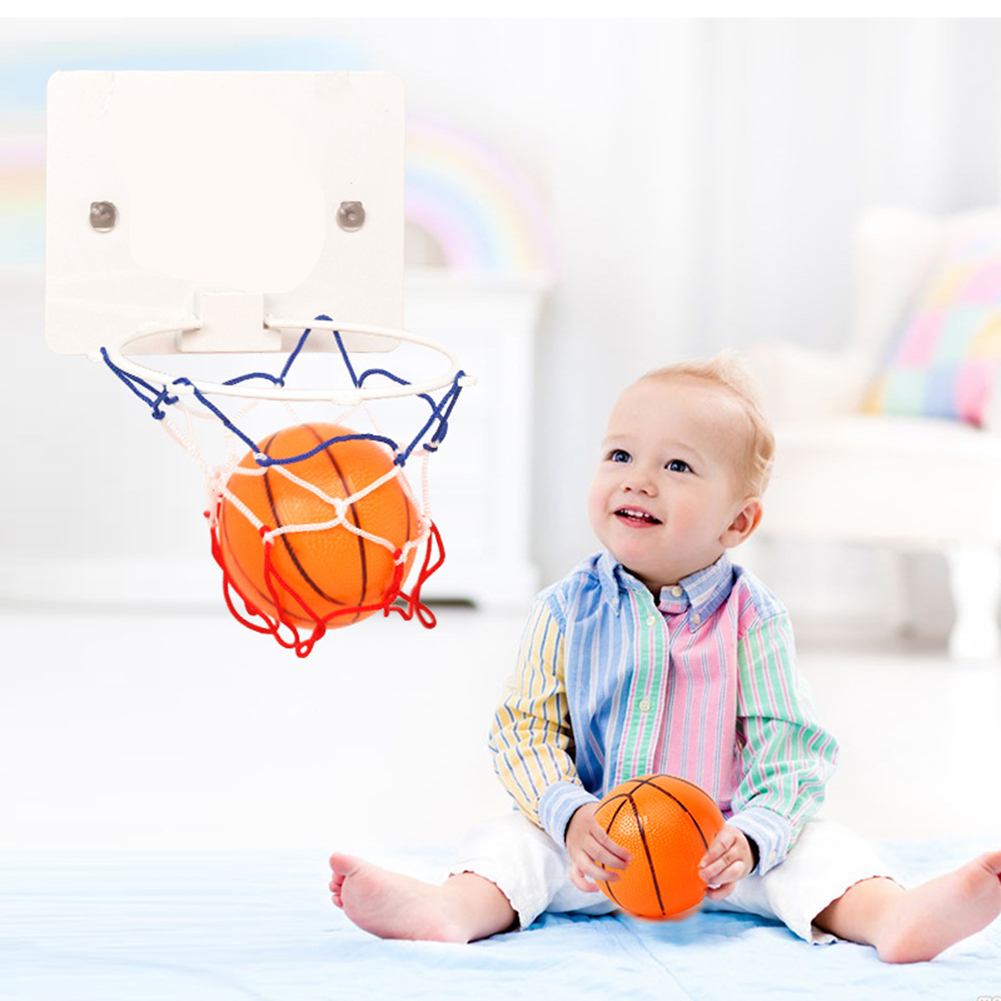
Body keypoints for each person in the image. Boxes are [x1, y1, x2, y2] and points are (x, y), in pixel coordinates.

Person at [329, 355, 1001, 963]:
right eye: (620, 454)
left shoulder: (752, 616)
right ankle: (452, 908)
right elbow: (523, 731)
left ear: (737, 523)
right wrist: (568, 814)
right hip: (595, 853)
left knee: (822, 851)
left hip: (726, 857)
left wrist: (755, 836)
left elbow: (789, 748)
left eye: (676, 466)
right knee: (509, 844)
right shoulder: (564, 608)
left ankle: (893, 915)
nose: (639, 480)